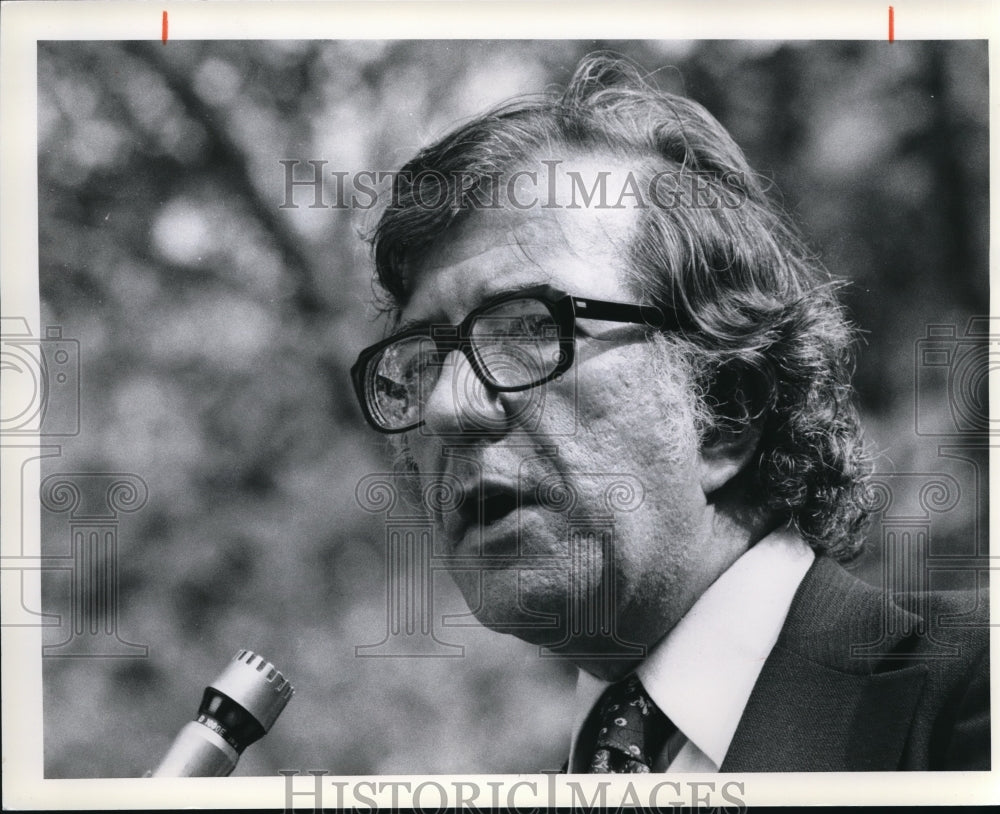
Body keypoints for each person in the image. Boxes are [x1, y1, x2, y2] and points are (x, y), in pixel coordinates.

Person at [349, 54, 989, 772]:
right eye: (422, 360)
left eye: (529, 329)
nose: (445, 409)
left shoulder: (968, 713)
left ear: (726, 405)